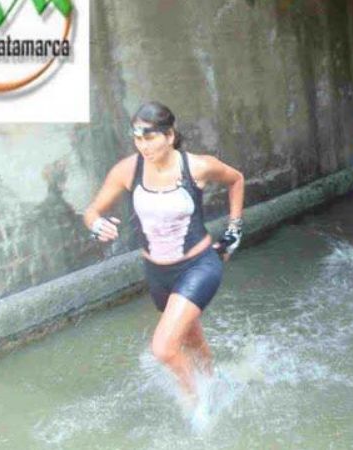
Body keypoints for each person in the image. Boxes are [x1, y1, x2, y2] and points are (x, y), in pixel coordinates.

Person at [83, 101, 245, 401]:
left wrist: (234, 229)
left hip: (198, 266)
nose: (143, 146)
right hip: (158, 275)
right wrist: (96, 224)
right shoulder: (128, 170)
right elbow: (92, 210)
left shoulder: (196, 166)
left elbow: (236, 179)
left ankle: (198, 403)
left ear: (169, 136)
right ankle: (214, 381)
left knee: (163, 348)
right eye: (137, 138)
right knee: (191, 338)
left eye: (150, 137)